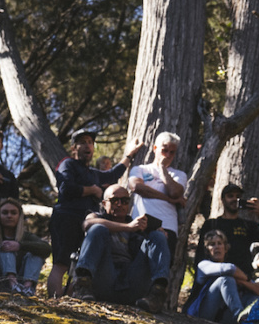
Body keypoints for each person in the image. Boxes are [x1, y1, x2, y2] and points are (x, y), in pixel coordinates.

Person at [48, 128, 146, 297]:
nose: (88, 146)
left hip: (87, 224)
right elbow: (65, 188)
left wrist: (129, 155)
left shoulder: (92, 173)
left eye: (90, 143)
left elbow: (113, 174)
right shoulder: (68, 164)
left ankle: (67, 299)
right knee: (62, 263)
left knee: (82, 263)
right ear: (74, 148)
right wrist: (92, 190)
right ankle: (52, 303)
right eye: (83, 142)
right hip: (66, 218)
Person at [72, 184, 173, 311]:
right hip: (103, 279)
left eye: (125, 201)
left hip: (131, 282)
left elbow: (155, 244)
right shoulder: (97, 217)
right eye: (114, 201)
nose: (120, 204)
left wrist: (159, 235)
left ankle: (157, 293)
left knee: (158, 236)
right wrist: (129, 227)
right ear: (104, 203)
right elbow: (88, 224)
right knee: (98, 228)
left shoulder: (141, 227)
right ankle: (82, 286)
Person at [127, 131, 187, 262]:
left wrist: (162, 168)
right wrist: (169, 200)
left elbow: (175, 192)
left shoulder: (179, 175)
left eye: (172, 152)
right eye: (164, 150)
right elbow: (137, 187)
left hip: (167, 226)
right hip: (140, 224)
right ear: (155, 148)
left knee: (160, 269)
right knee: (137, 265)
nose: (168, 155)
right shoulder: (140, 169)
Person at [185, 229, 259, 324]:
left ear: (225, 248)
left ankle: (254, 322)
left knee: (251, 296)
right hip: (204, 313)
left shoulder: (236, 273)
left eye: (219, 243)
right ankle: (241, 316)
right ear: (207, 250)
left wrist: (243, 283)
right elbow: (228, 268)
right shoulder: (203, 265)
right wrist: (246, 279)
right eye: (212, 244)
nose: (216, 247)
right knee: (225, 280)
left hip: (224, 317)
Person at [0, 198, 51, 295]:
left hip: (21, 281)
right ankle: (13, 284)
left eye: (13, 213)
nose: (9, 216)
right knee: (7, 247)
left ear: (19, 216)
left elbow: (46, 248)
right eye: (5, 213)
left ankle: (27, 288)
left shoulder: (25, 236)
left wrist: (20, 245)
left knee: (36, 254)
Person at [201, 183, 259, 269]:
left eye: (238, 196)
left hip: (244, 276)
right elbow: (200, 254)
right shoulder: (211, 224)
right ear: (223, 200)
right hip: (218, 274)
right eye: (230, 196)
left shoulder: (247, 225)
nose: (234, 199)